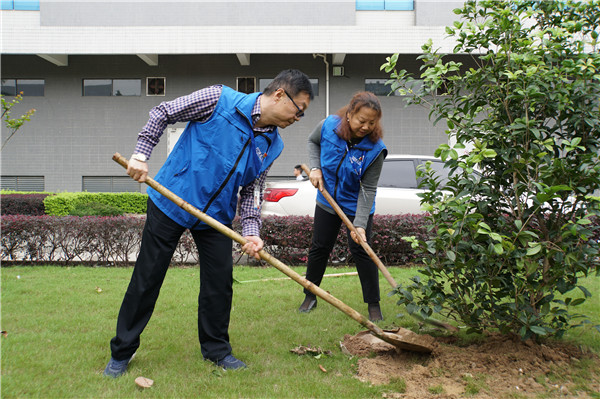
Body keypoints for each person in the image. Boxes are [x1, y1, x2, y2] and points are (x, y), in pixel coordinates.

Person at [103, 69, 314, 377]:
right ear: (281, 94)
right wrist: (140, 154)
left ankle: (217, 350)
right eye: (300, 110)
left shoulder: (273, 144)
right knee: (147, 278)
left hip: (215, 217)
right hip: (171, 201)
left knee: (219, 284)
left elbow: (251, 190)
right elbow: (164, 112)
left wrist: (251, 233)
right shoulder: (219, 99)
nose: (298, 118)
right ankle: (122, 351)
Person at [298, 91, 387, 322]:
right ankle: (311, 294)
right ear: (349, 114)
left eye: (371, 122)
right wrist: (316, 168)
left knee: (362, 251)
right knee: (319, 247)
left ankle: (374, 305)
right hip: (327, 200)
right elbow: (312, 141)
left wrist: (359, 225)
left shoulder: (376, 149)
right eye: (361, 120)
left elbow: (368, 189)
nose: (366, 126)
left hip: (356, 204)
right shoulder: (328, 126)